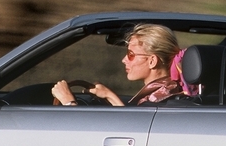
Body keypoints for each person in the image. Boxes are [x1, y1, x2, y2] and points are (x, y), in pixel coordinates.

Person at [51, 23, 185, 106]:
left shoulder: (157, 100)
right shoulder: (169, 91)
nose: (124, 60)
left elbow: (131, 131)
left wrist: (69, 102)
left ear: (152, 61)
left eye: (131, 54)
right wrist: (109, 95)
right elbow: (132, 121)